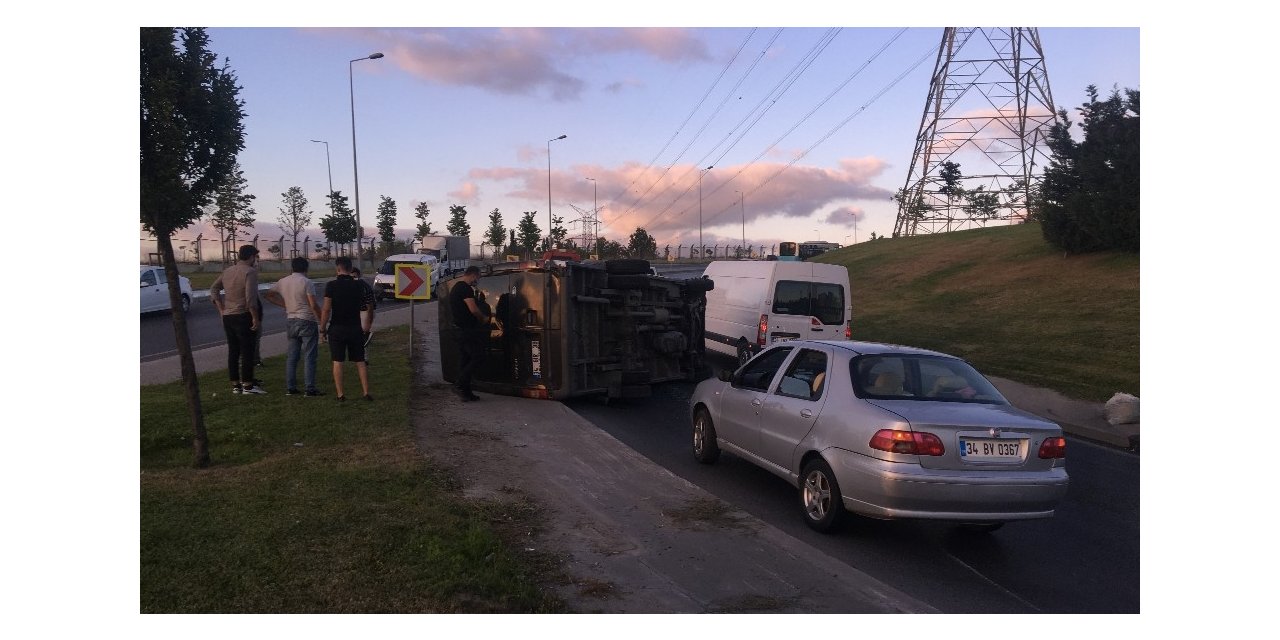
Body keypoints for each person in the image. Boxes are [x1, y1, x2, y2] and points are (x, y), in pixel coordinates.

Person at [263, 257, 324, 397]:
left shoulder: (283, 281)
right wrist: (321, 321)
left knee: (292, 356)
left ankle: (291, 387)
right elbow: (313, 305)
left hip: (291, 319)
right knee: (310, 355)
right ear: (306, 268)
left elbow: (268, 295)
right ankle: (310, 388)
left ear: (292, 267)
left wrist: (284, 305)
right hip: (306, 319)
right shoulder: (307, 282)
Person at [210, 245, 265, 394]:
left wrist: (221, 309)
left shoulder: (227, 271)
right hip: (243, 315)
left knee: (233, 351)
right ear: (252, 256)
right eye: (255, 257)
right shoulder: (250, 272)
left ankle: (236, 385)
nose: (256, 260)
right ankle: (248, 385)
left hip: (228, 316)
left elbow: (214, 288)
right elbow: (250, 298)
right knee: (247, 351)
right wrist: (255, 318)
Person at [319, 256, 372, 402]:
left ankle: (340, 394)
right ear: (350, 268)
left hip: (337, 328)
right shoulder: (359, 285)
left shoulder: (331, 285)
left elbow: (326, 309)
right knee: (360, 361)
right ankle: (366, 392)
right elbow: (366, 305)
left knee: (338, 361)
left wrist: (322, 329)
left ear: (337, 268)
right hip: (355, 327)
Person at [448, 265, 489, 401]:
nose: (477, 281)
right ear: (473, 275)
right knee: (479, 356)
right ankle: (459, 383)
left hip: (459, 330)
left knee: (465, 360)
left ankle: (466, 392)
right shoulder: (464, 288)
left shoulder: (456, 287)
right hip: (466, 331)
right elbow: (473, 309)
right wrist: (483, 318)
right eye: (478, 277)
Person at [350, 266, 377, 364]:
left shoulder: (364, 286)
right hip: (357, 312)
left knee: (363, 335)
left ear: (358, 276)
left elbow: (370, 306)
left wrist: (369, 320)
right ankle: (357, 355)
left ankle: (364, 358)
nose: (353, 279)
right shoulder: (350, 286)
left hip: (365, 311)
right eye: (351, 277)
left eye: (354, 276)